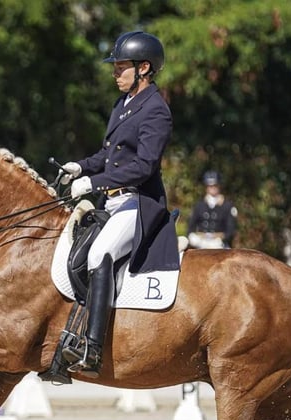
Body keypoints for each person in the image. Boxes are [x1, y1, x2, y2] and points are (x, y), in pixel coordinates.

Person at [57, 30, 180, 378]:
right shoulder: (123, 104)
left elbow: (144, 167)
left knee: (99, 257)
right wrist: (80, 166)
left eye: (121, 67)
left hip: (140, 204)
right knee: (75, 252)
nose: (115, 73)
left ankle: (92, 349)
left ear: (144, 68)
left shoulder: (156, 110)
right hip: (113, 203)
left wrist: (91, 183)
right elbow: (109, 156)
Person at [187, 170, 238, 249]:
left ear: (219, 186)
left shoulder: (227, 206)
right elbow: (191, 227)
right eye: (210, 186)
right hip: (201, 242)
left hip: (219, 242)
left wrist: (220, 238)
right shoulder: (199, 205)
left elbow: (230, 230)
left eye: (215, 185)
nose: (212, 188)